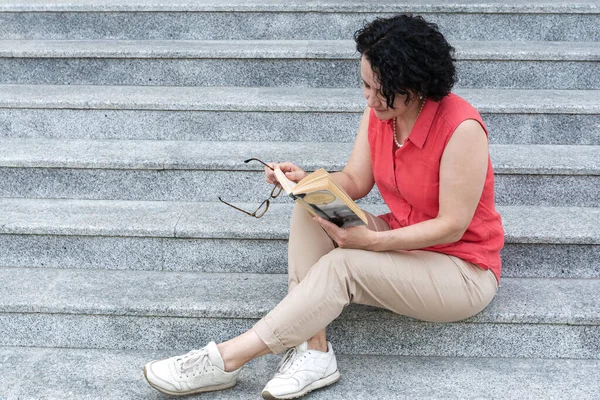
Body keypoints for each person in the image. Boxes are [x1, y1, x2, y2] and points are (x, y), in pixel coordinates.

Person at [143, 14, 504, 399]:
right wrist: (310, 182)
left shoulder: (461, 128)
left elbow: (451, 225)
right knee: (311, 207)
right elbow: (355, 180)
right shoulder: (383, 113)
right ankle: (314, 351)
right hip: (404, 238)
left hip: (461, 268)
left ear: (412, 87)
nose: (366, 97)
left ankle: (225, 360)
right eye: (364, 84)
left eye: (376, 89)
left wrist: (368, 242)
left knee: (343, 265)